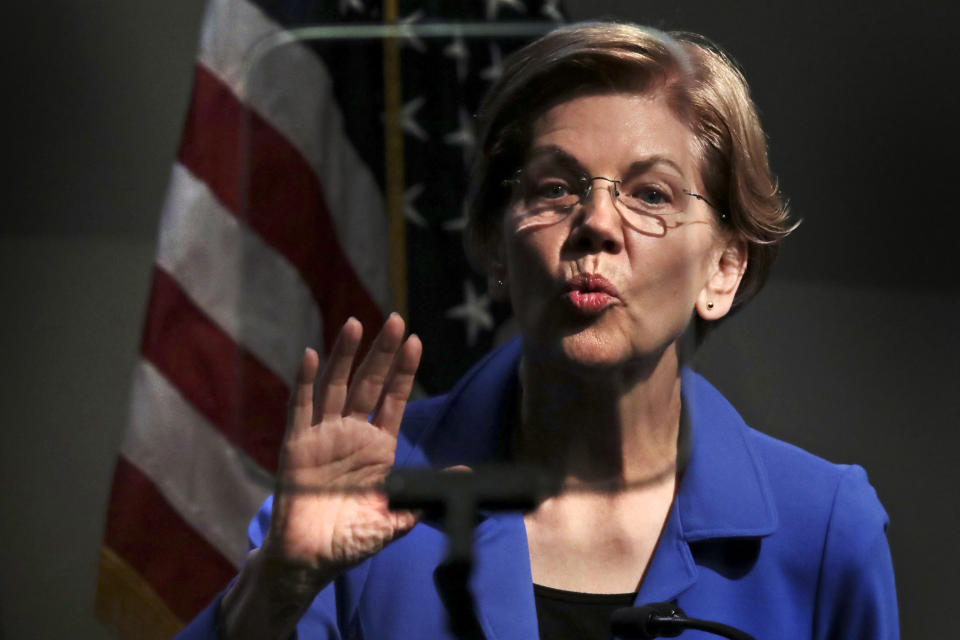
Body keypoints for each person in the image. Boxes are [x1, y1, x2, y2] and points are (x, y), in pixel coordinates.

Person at [178, 21, 898, 640]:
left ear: (723, 271)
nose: (595, 223)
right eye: (555, 187)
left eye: (651, 194)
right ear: (496, 246)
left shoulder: (825, 529)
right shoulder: (364, 495)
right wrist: (276, 582)